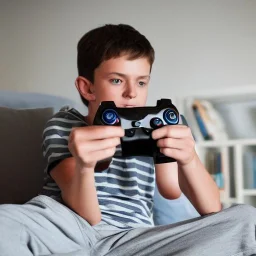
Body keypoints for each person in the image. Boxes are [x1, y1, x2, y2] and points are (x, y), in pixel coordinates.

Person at [0, 24, 255, 256]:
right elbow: (87, 215)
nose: (132, 93)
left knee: (246, 220)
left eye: (142, 82)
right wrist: (84, 165)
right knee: (5, 222)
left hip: (133, 237)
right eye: (116, 80)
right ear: (87, 88)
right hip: (66, 224)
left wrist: (188, 159)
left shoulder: (159, 126)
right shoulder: (64, 124)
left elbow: (184, 196)